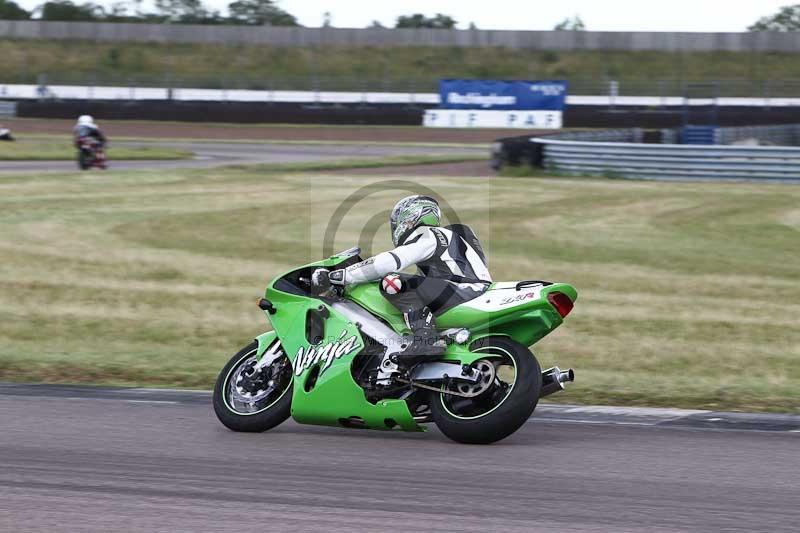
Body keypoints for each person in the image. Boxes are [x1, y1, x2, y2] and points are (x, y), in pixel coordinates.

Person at [313, 195, 492, 367]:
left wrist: (341, 276)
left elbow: (389, 262)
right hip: (469, 290)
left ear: (410, 218)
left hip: (464, 290)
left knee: (392, 282)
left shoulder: (428, 234)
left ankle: (426, 338)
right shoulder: (449, 238)